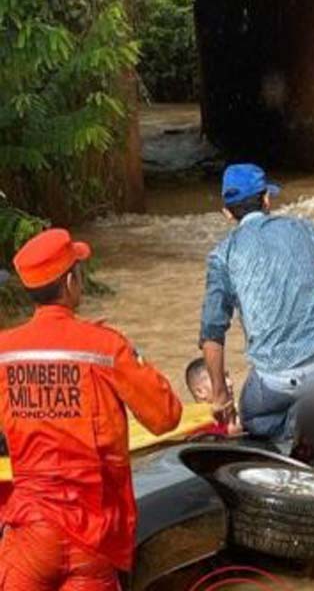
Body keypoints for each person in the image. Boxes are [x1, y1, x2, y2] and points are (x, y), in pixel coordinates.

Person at [0, 228, 183, 589]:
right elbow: (166, 417)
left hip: (30, 532)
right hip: (95, 534)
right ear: (70, 282)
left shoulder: (6, 352)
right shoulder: (105, 347)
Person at [199, 163, 314, 449]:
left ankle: (294, 421)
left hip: (273, 382)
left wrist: (221, 395)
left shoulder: (222, 255)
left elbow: (212, 333)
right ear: (267, 200)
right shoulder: (303, 229)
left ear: (227, 212)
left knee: (255, 419)